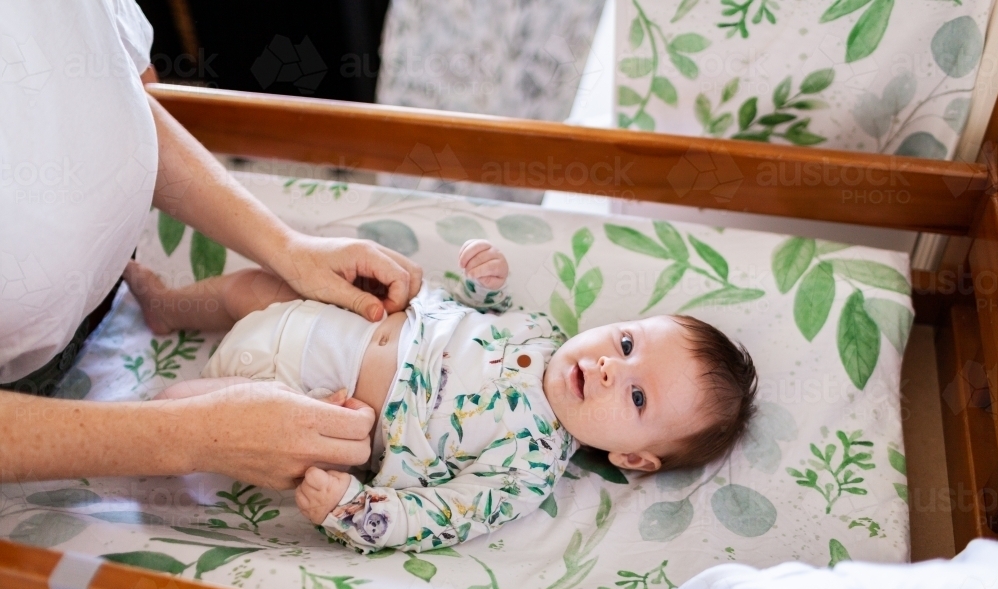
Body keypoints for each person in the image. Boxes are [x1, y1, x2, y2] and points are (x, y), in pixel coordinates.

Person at [0, 0, 421, 490]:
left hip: (105, 315)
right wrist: (189, 435)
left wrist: (289, 247)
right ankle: (168, 312)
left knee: (270, 291)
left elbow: (117, 100)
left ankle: (171, 318)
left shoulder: (522, 444)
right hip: (28, 400)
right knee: (248, 305)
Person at [123, 239, 759, 553]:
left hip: (306, 398)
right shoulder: (541, 330)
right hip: (331, 318)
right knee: (253, 288)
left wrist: (352, 507)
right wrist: (483, 282)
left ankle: (125, 430)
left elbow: (438, 516)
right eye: (624, 344)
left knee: (195, 411)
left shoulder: (526, 472)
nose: (609, 368)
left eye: (639, 399)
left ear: (633, 459)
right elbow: (476, 312)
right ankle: (168, 308)